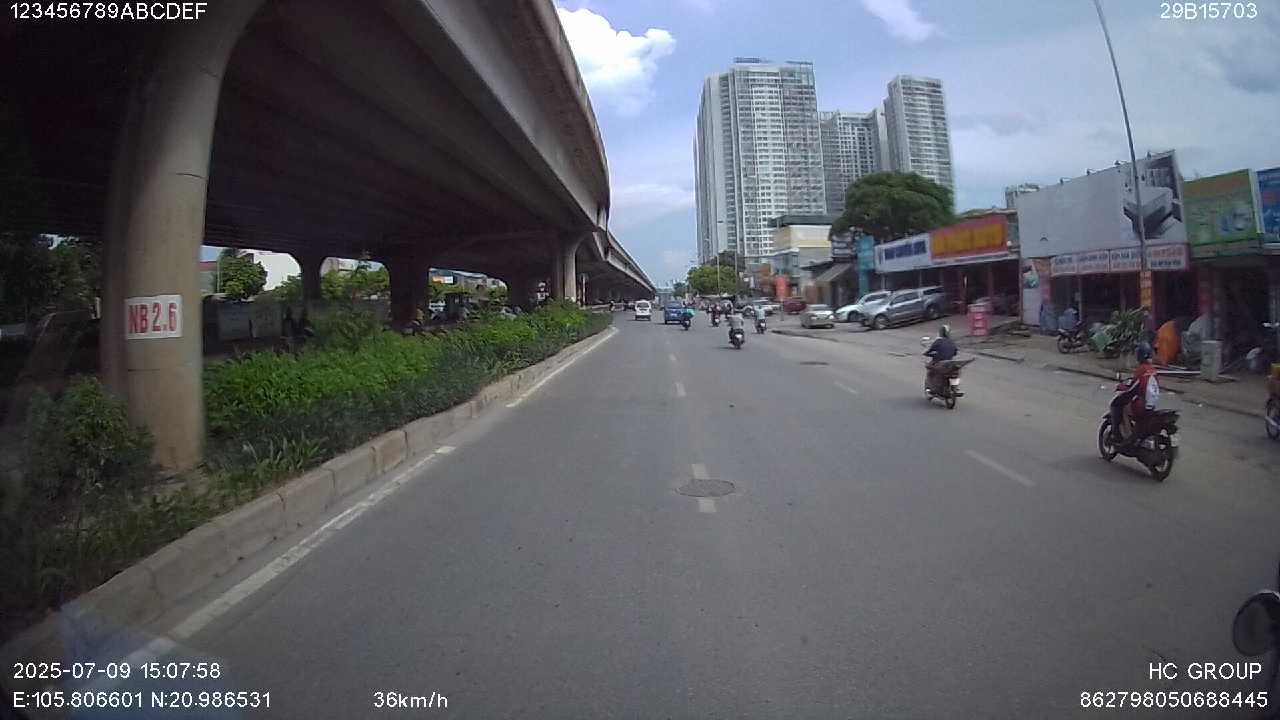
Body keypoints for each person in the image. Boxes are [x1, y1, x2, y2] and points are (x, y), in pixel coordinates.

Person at [1110, 341, 1159, 444]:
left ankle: (1128, 437)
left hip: (1142, 405)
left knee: (1124, 409)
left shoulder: (1141, 370)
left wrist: (1122, 387)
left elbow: (1132, 388)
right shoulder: (1153, 370)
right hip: (1152, 405)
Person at [923, 324, 958, 391]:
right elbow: (955, 352)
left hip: (939, 362)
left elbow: (930, 350)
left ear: (941, 333)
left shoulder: (938, 341)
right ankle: (953, 387)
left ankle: (930, 387)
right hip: (949, 363)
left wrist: (927, 353)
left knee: (929, 369)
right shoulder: (951, 342)